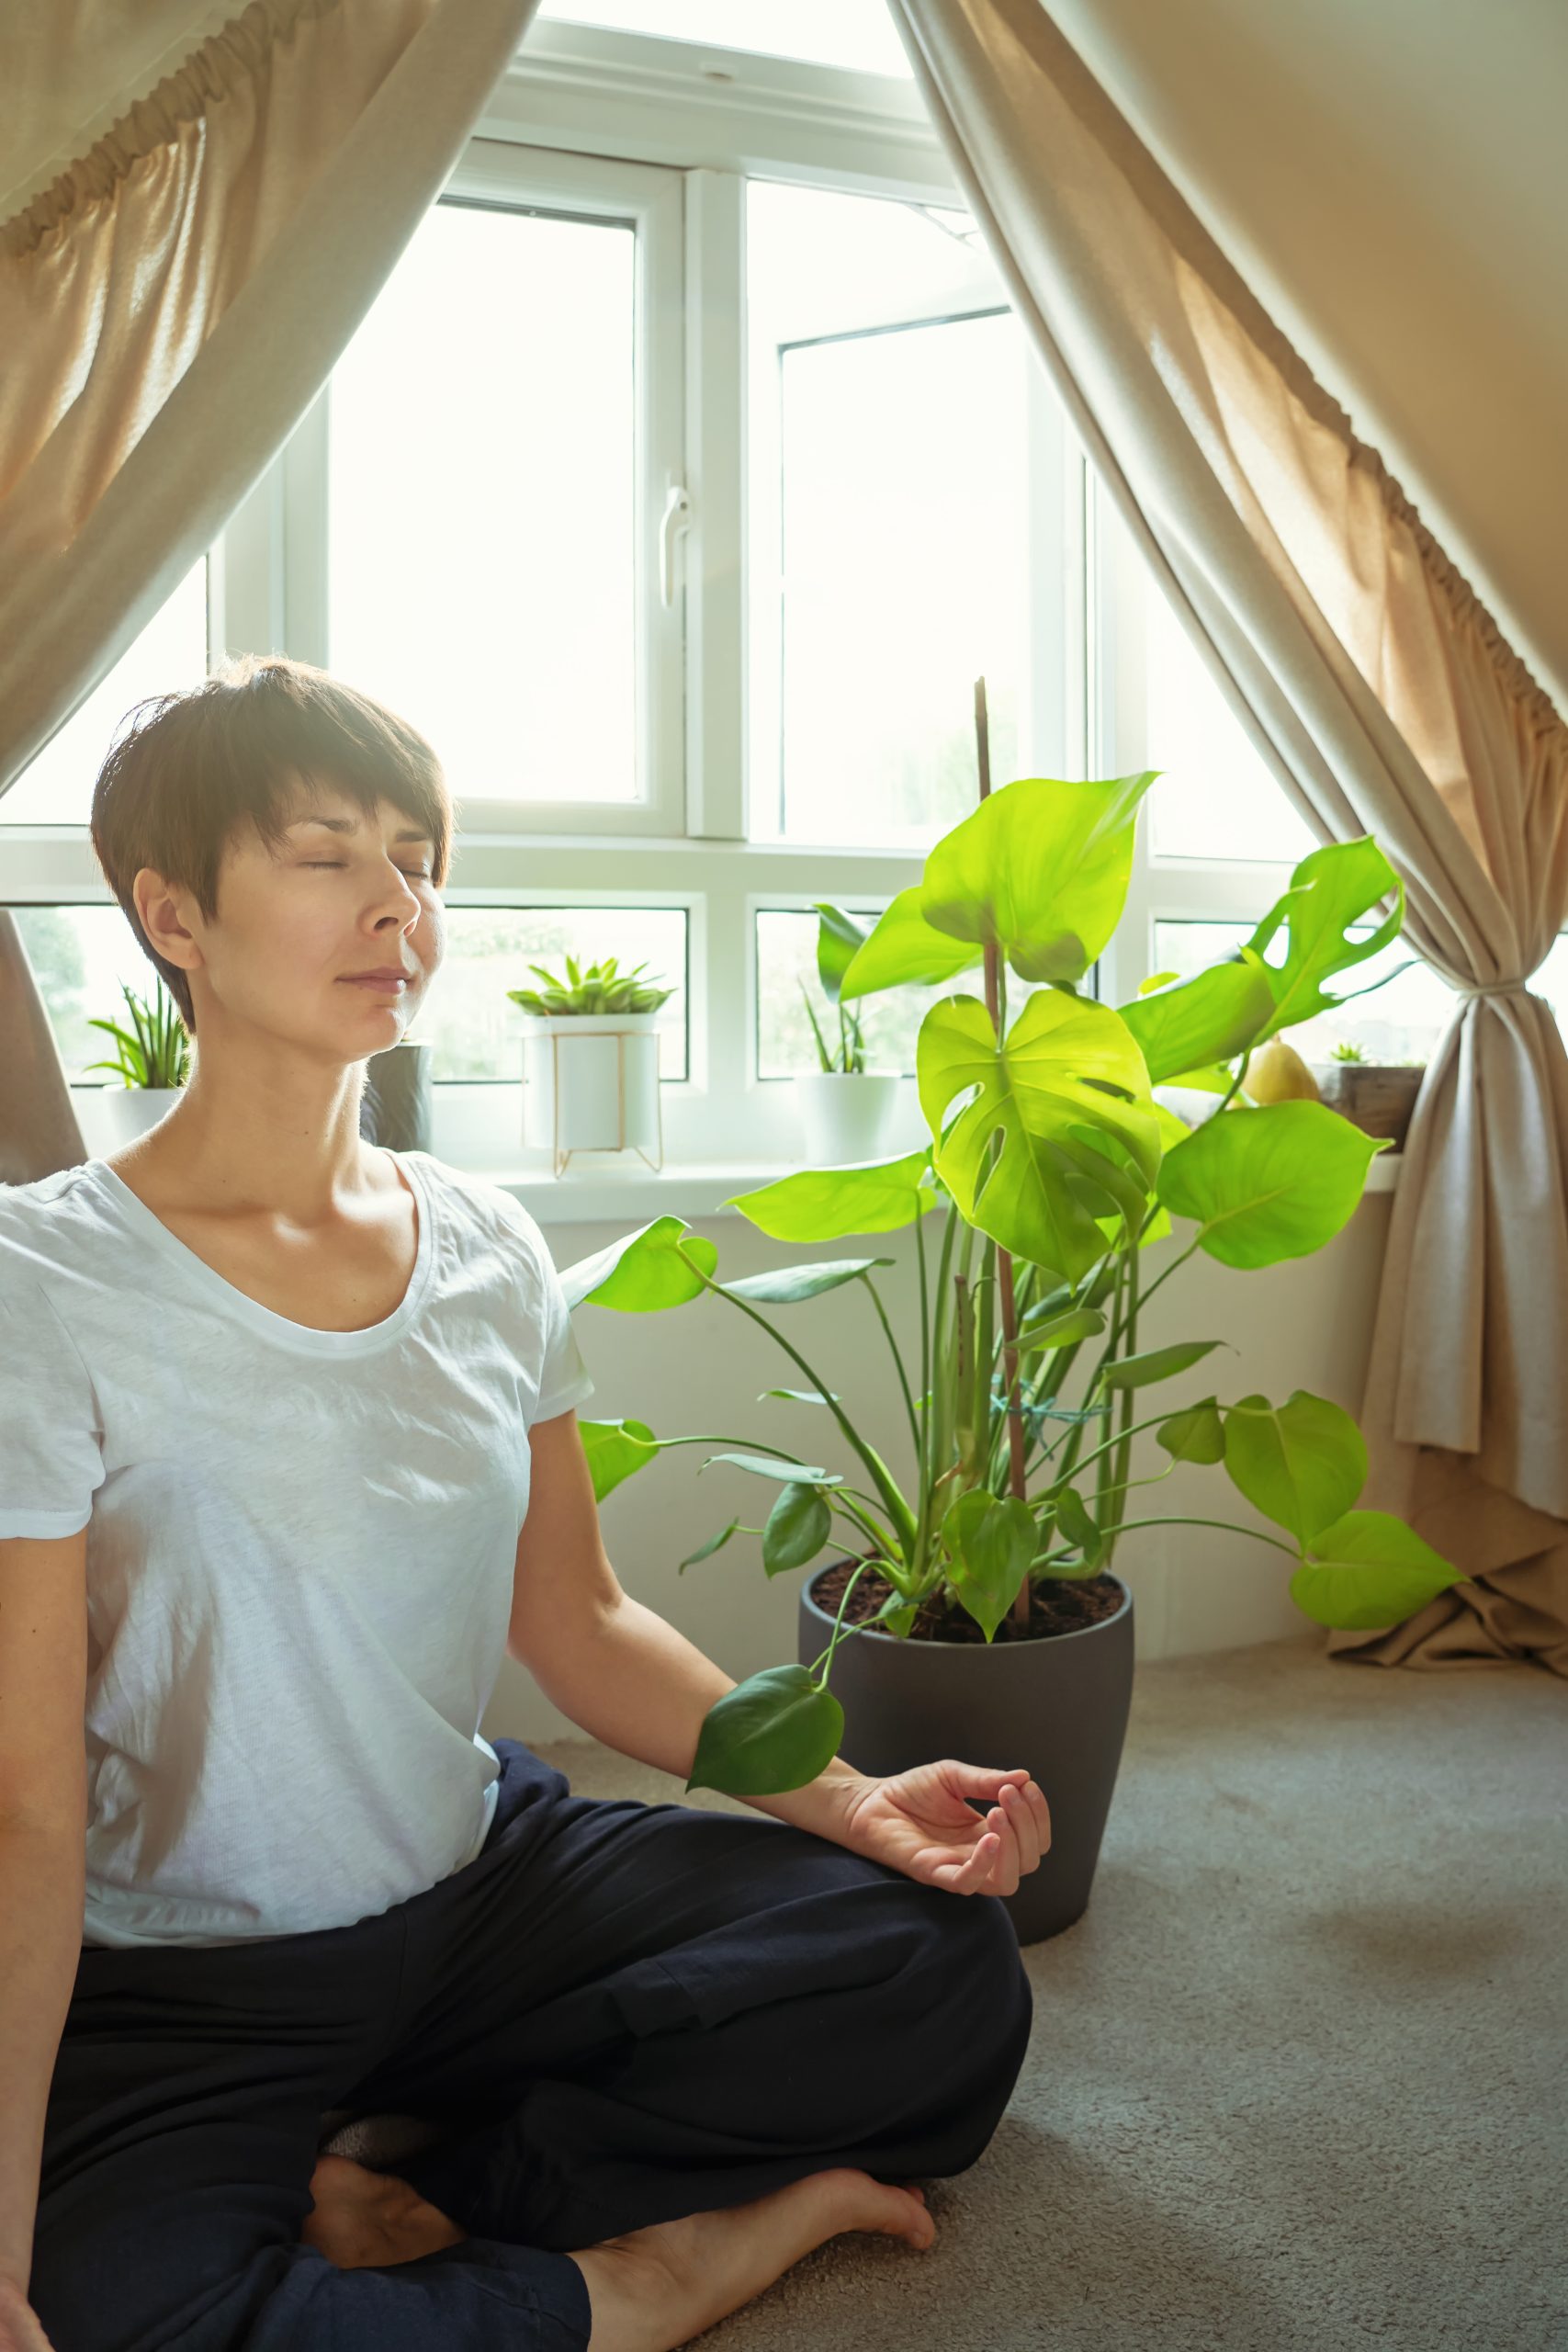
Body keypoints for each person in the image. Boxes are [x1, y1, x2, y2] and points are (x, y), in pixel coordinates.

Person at [0, 655, 1043, 2352]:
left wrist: (858, 1807)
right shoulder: (41, 1282)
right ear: (172, 913)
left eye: (418, 857)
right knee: (117, 2318)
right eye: (328, 853)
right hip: (191, 1971)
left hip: (479, 1881)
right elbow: (27, 1806)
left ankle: (420, 2186)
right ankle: (657, 2268)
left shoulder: (485, 1245)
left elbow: (581, 1622)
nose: (398, 903)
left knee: (943, 1978)